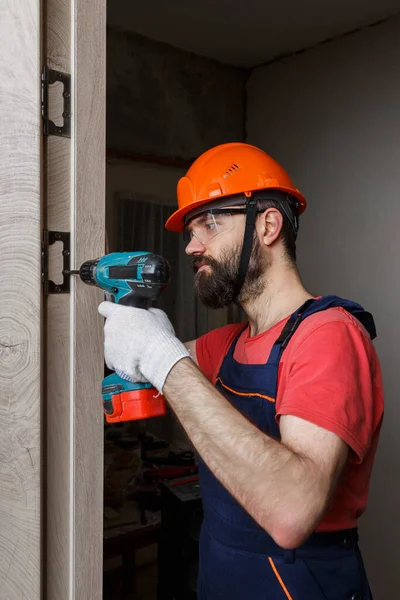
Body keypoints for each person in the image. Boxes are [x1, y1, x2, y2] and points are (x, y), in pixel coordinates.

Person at [99, 142, 384, 599]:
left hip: (301, 584)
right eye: (191, 230)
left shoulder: (330, 335)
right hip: (221, 576)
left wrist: (161, 356)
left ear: (268, 225)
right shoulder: (227, 344)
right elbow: (130, 363)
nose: (192, 245)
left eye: (209, 223)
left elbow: (293, 510)